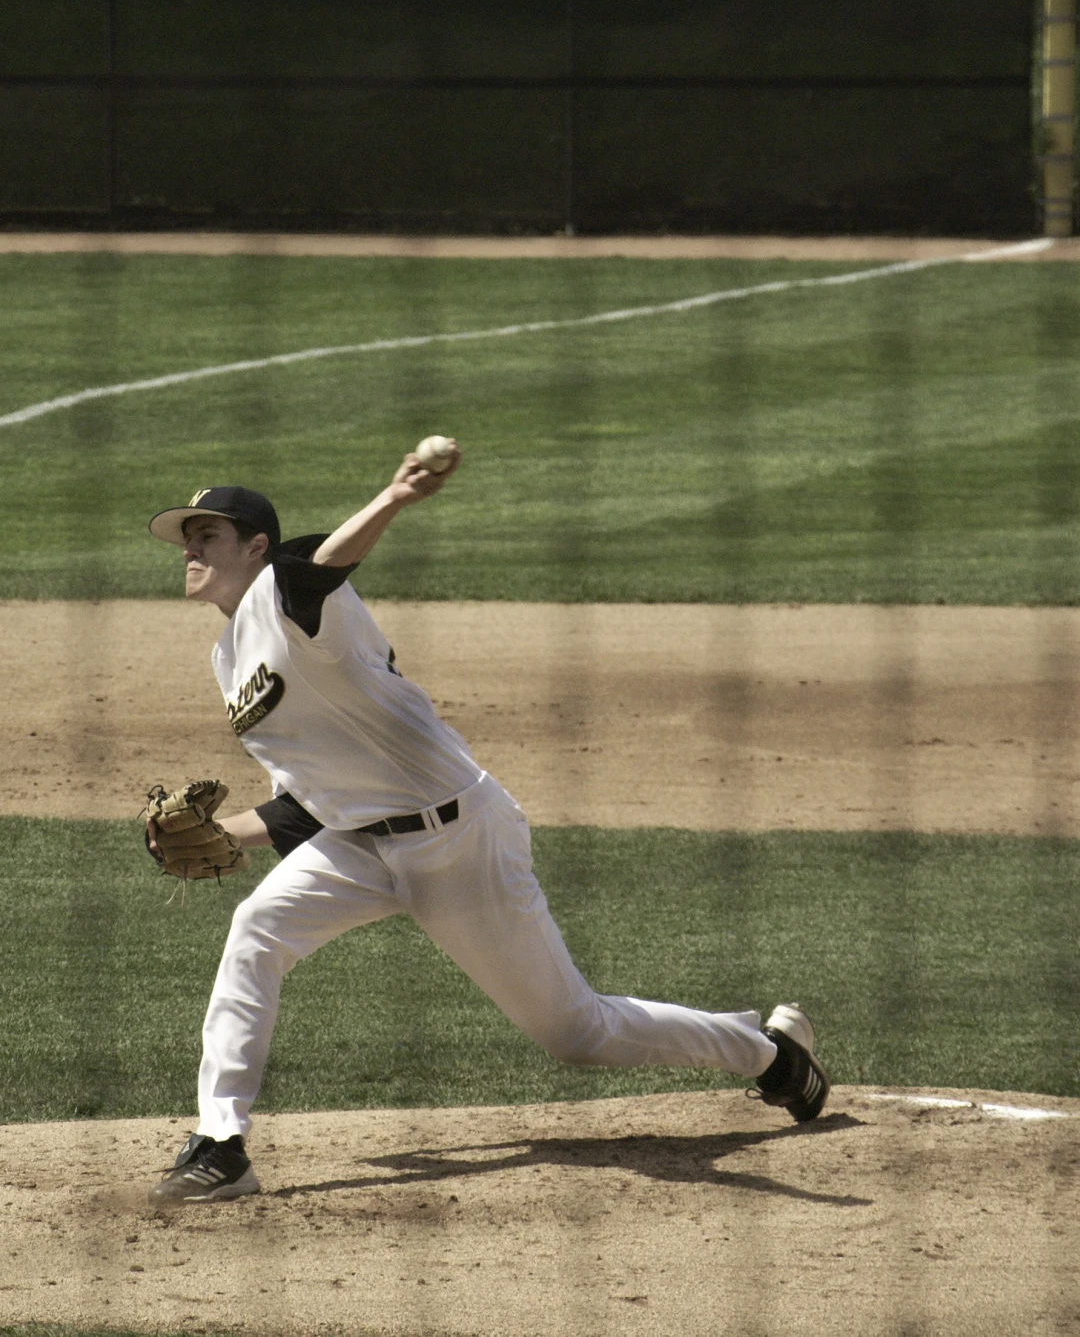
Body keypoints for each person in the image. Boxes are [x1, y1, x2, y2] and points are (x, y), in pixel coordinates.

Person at [141, 452, 829, 1203]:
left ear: (256, 548)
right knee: (257, 929)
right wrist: (219, 835)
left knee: (576, 1035)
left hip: (459, 838)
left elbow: (324, 563)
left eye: (208, 533)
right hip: (359, 845)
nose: (190, 548)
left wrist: (395, 496)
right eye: (185, 536)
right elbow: (304, 802)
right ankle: (221, 1142)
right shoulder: (226, 656)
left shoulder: (291, 595)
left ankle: (769, 1057)